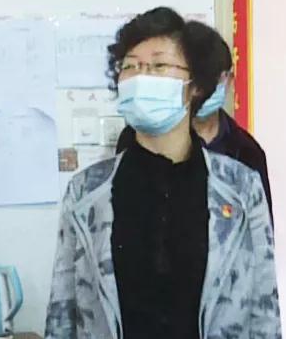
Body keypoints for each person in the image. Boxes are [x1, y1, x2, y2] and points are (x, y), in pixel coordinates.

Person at [41, 7, 283, 339]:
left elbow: (264, 317)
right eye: (130, 66)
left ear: (194, 86)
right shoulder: (86, 193)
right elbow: (61, 321)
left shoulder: (240, 189)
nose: (141, 77)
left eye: (158, 66)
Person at [115, 22, 273, 225]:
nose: (204, 89)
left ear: (227, 80)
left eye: (211, 79)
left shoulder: (246, 151)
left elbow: (260, 228)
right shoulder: (137, 138)